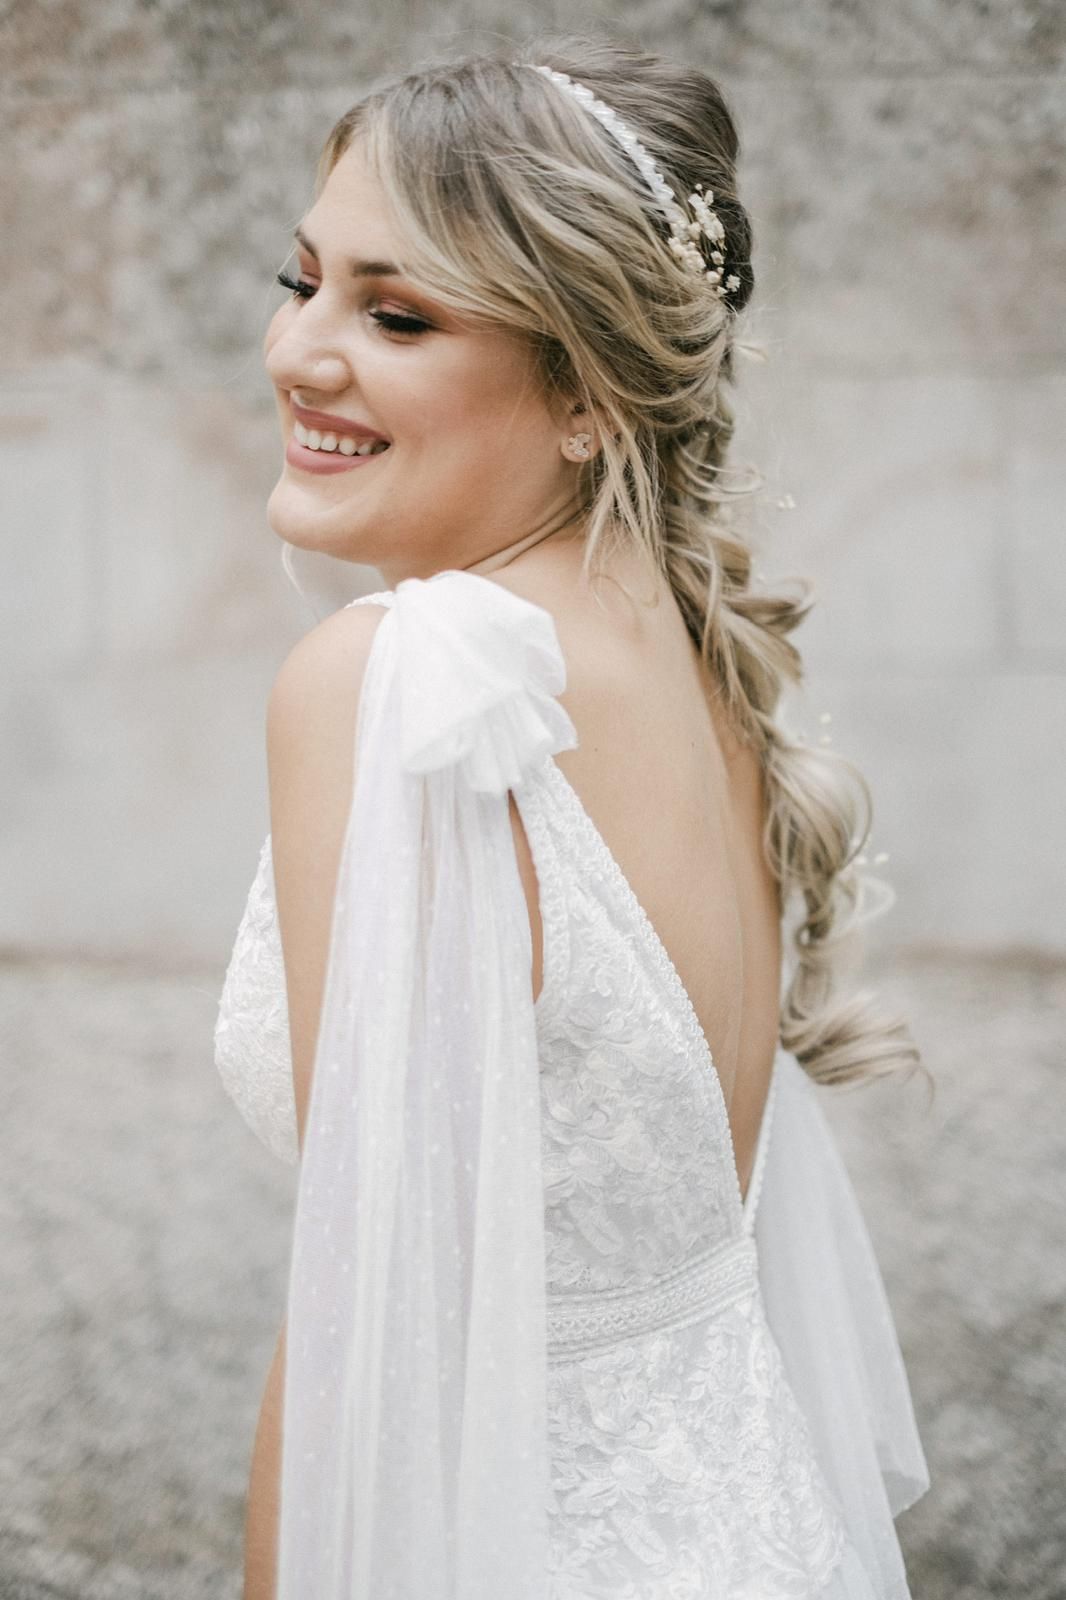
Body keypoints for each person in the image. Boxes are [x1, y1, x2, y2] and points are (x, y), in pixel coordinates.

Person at [214, 34, 931, 1600]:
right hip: (748, 1525)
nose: (298, 353)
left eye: (396, 313)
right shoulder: (686, 656)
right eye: (302, 281)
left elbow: (376, 1317)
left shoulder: (405, 684)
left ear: (591, 394)